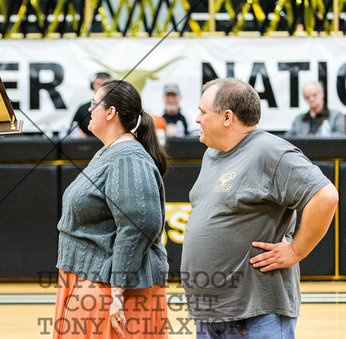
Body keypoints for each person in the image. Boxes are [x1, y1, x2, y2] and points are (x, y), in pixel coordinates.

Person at [181, 78, 338, 338]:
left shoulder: (269, 151)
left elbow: (326, 195)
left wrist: (295, 251)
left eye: (203, 112)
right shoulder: (212, 154)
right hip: (211, 315)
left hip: (256, 317)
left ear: (227, 117)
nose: (197, 119)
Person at [54, 80, 169, 338]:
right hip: (91, 280)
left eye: (94, 104)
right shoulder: (110, 152)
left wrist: (117, 289)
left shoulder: (128, 156)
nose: (89, 110)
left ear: (110, 112)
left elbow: (141, 223)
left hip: (111, 288)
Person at [70, 71, 111, 137]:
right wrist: (77, 134)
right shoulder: (83, 109)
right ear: (92, 86)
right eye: (98, 84)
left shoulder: (119, 106)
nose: (102, 88)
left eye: (105, 85)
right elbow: (72, 129)